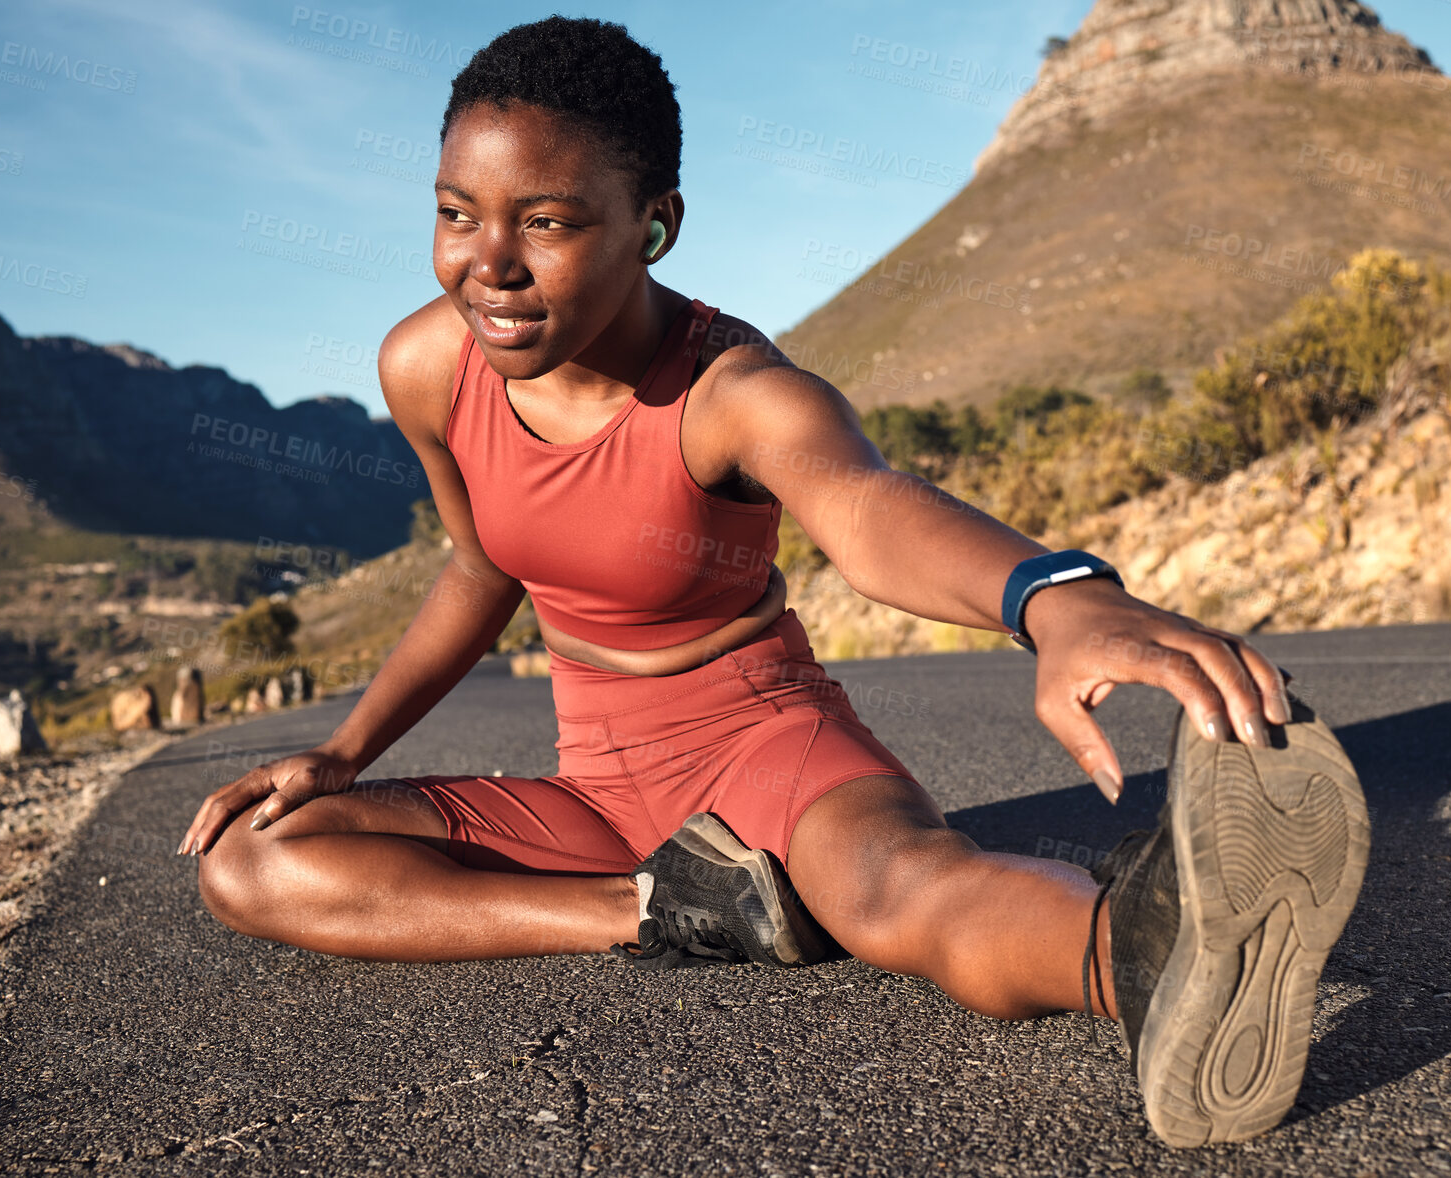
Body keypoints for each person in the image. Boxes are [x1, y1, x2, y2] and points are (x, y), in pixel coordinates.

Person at [177, 16, 1368, 1149]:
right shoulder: (427, 367)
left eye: (544, 222)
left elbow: (870, 514)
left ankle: (1151, 949)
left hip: (763, 745)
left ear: (654, 223)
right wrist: (345, 753)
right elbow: (480, 565)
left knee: (903, 893)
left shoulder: (731, 392)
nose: (487, 264)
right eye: (455, 213)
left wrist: (1054, 596)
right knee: (256, 857)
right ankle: (670, 909)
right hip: (600, 795)